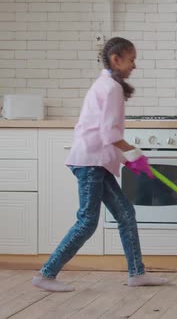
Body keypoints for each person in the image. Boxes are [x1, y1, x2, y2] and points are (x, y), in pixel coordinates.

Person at [32, 37, 168, 292]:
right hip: (90, 162)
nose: (134, 66)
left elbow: (106, 132)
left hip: (96, 162)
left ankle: (137, 273)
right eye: (132, 59)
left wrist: (130, 157)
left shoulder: (109, 85)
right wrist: (135, 155)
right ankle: (46, 274)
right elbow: (110, 134)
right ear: (116, 59)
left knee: (126, 214)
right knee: (87, 221)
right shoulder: (110, 88)